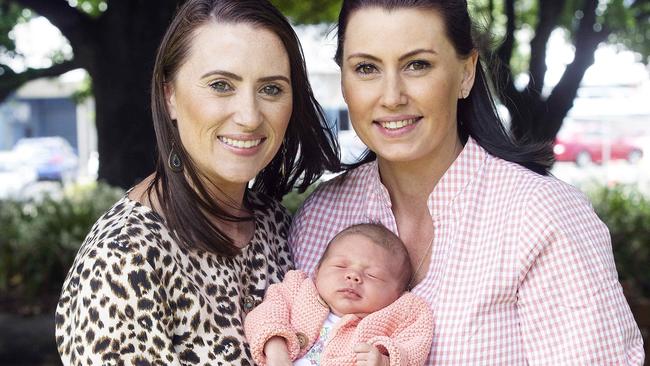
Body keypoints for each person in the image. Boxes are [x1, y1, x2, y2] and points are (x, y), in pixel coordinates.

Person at [289, 0, 645, 364]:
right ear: (345, 82)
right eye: (366, 68)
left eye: (418, 65)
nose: (391, 96)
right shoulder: (321, 215)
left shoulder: (540, 214)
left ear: (466, 73)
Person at [54, 0, 339, 364]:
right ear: (169, 95)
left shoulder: (278, 225)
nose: (250, 117)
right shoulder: (125, 258)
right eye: (221, 85)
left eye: (270, 89)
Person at [245, 223, 433, 366]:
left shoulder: (402, 314)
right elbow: (265, 314)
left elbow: (414, 349)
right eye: (341, 266)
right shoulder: (297, 289)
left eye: (372, 275)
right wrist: (276, 347)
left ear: (398, 293)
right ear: (317, 271)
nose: (353, 276)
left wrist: (385, 360)